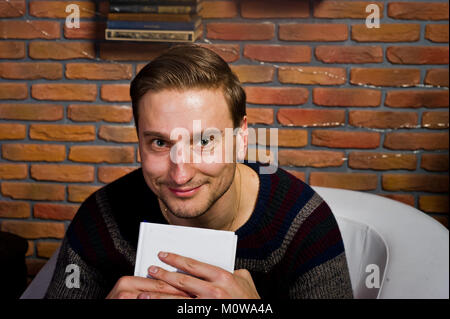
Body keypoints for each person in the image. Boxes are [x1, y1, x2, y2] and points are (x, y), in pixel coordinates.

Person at [44, 44, 353, 299]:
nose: (180, 175)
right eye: (160, 142)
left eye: (204, 141)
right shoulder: (102, 217)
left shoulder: (303, 223)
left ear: (241, 138)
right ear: (139, 140)